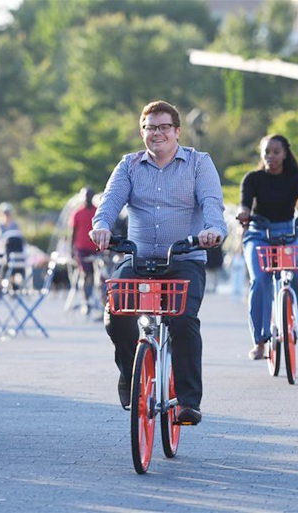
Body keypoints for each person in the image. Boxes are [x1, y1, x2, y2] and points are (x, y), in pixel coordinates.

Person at [90, 100, 226, 426]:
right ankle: (129, 372)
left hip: (184, 259)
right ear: (142, 132)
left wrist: (212, 231)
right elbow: (109, 203)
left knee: (182, 320)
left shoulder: (198, 164)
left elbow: (212, 203)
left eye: (165, 127)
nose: (157, 133)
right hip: (137, 257)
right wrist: (102, 227)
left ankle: (189, 402)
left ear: (177, 131)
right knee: (116, 315)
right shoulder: (129, 165)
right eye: (151, 127)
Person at [235, 134, 298, 361]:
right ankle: (260, 341)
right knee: (260, 279)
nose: (271, 156)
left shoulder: (294, 177)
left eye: (276, 152)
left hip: (288, 231)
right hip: (259, 234)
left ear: (285, 154)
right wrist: (244, 213)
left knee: (296, 271)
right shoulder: (253, 178)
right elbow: (245, 202)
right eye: (267, 152)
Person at [70, 187, 98, 314]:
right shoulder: (77, 213)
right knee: (85, 274)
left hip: (95, 248)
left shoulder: (97, 211)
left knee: (97, 275)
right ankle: (85, 301)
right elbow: (73, 232)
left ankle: (97, 300)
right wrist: (72, 249)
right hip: (81, 248)